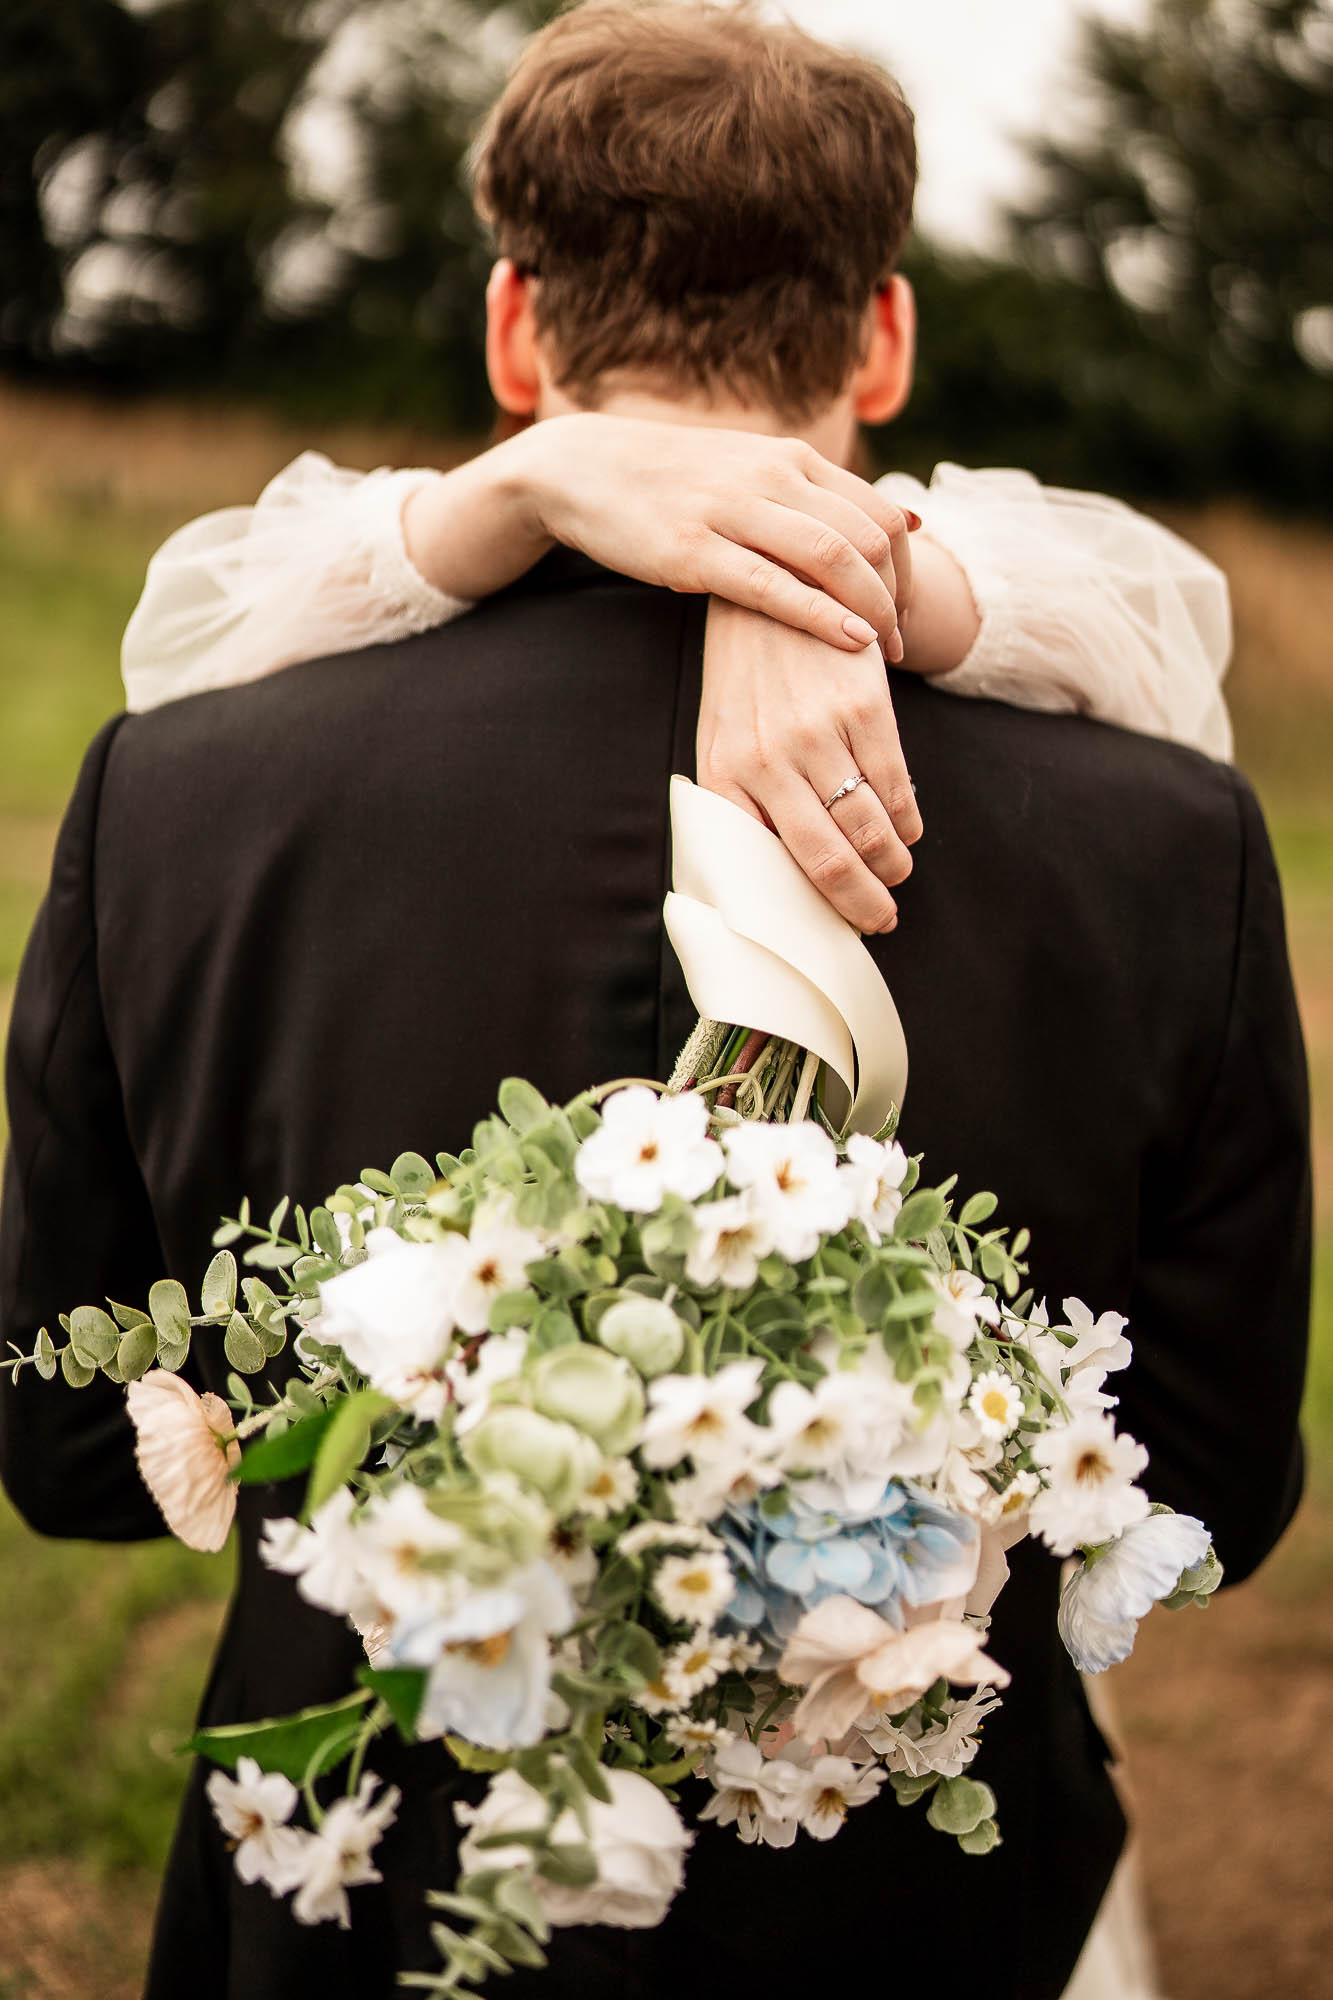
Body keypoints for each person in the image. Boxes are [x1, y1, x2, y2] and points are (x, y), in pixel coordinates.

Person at [0, 6, 1309, 2000]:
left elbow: (81, 1455)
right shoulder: (1171, 837)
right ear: (881, 339)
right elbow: (1204, 1480)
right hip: (932, 1931)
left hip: (355, 1922)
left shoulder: (179, 793)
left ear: (516, 332)